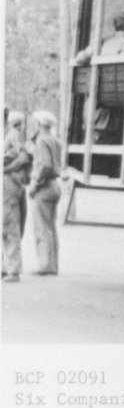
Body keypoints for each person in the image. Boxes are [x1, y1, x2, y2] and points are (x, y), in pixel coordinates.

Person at [27, 110, 63, 277]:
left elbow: (45, 165)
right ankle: (53, 264)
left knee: (42, 228)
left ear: (40, 124)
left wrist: (35, 184)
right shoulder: (55, 140)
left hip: (44, 186)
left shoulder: (41, 140)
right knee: (51, 227)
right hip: (55, 185)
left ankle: (45, 265)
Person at [3, 112, 31, 282]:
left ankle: (12, 270)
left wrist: (6, 169)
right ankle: (7, 267)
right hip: (13, 184)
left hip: (10, 184)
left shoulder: (12, 135)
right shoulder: (13, 135)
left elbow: (23, 157)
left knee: (10, 225)